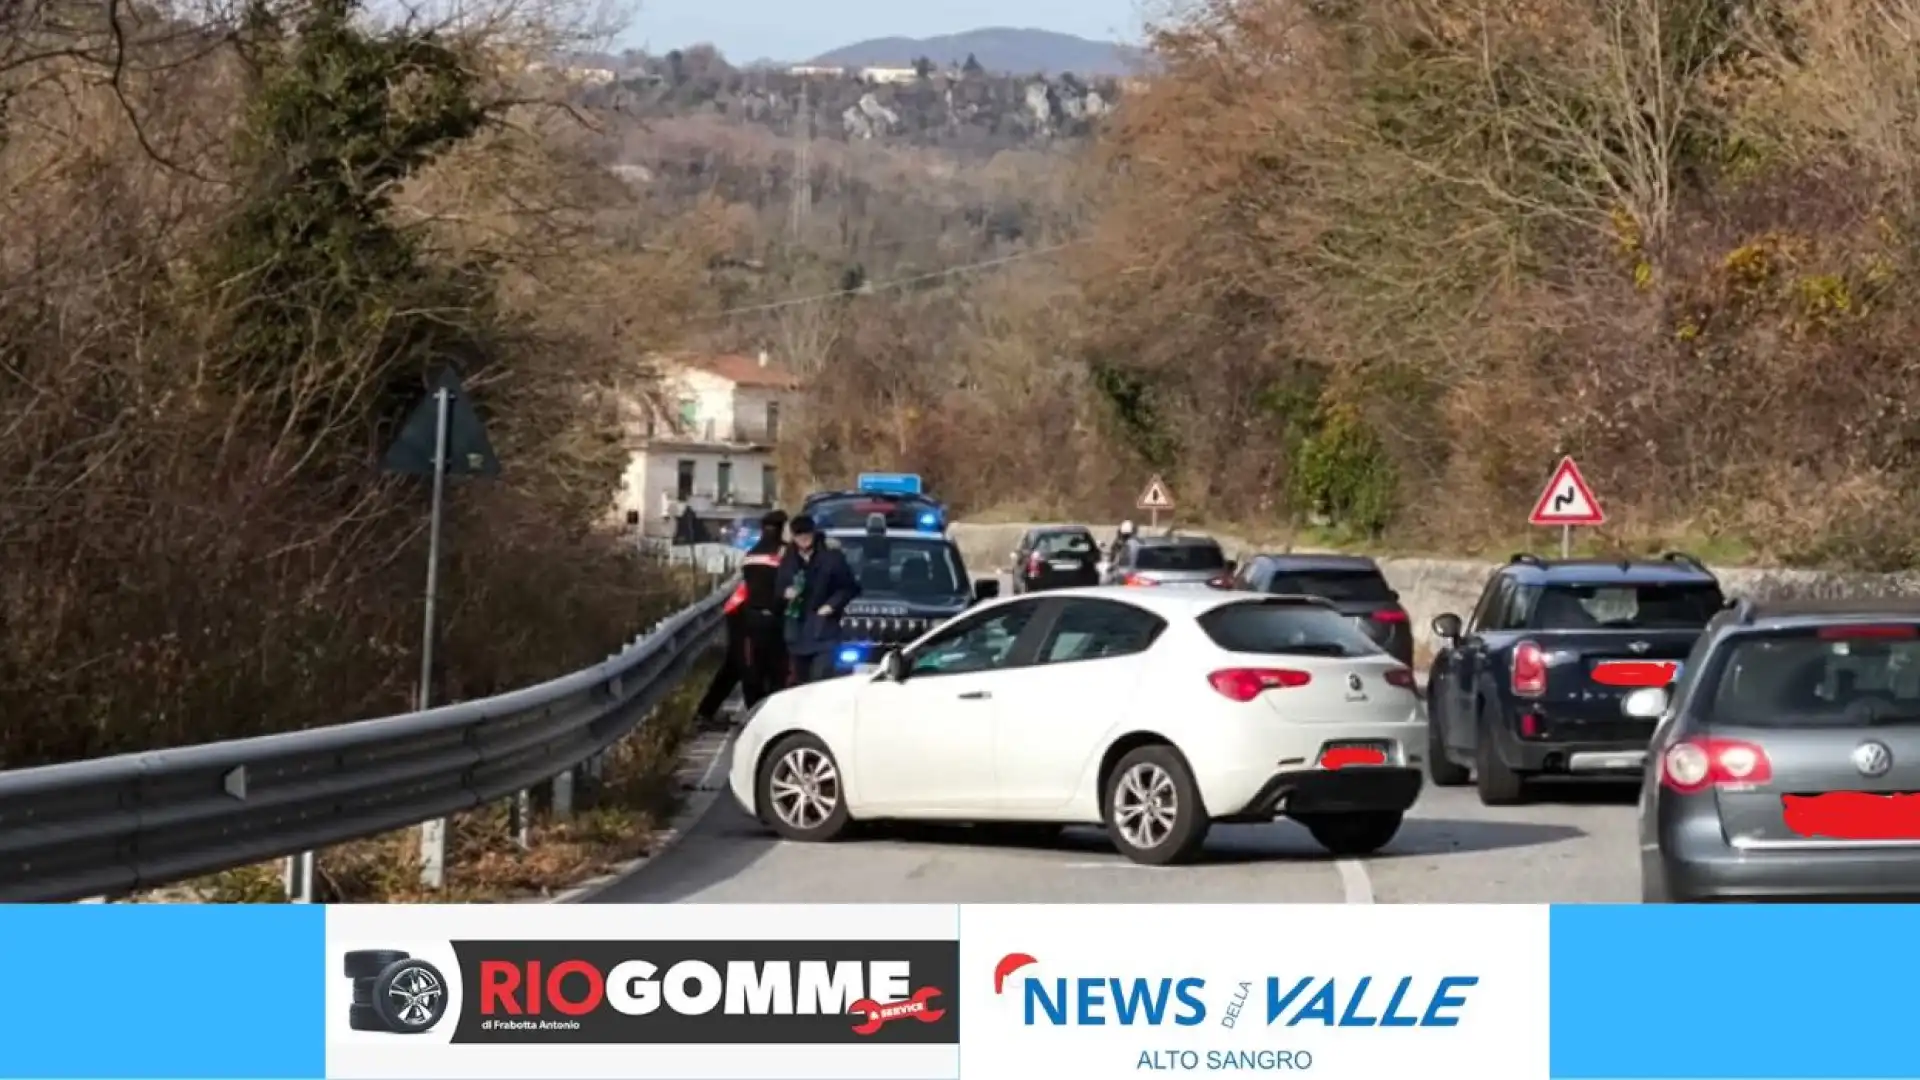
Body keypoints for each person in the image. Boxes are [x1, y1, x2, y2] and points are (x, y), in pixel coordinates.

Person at [693, 510, 789, 726]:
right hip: (760, 617)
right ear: (781, 528)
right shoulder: (781, 553)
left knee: (737, 664)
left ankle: (706, 711)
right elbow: (781, 587)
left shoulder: (752, 553)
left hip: (740, 613)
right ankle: (756, 712)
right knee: (756, 666)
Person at [777, 513, 860, 685]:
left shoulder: (832, 558)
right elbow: (778, 588)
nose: (804, 538)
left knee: (820, 680)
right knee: (799, 685)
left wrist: (831, 605)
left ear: (814, 533)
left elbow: (849, 588)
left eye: (807, 534)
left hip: (824, 632)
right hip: (796, 633)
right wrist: (786, 592)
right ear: (793, 537)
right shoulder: (788, 559)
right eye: (799, 535)